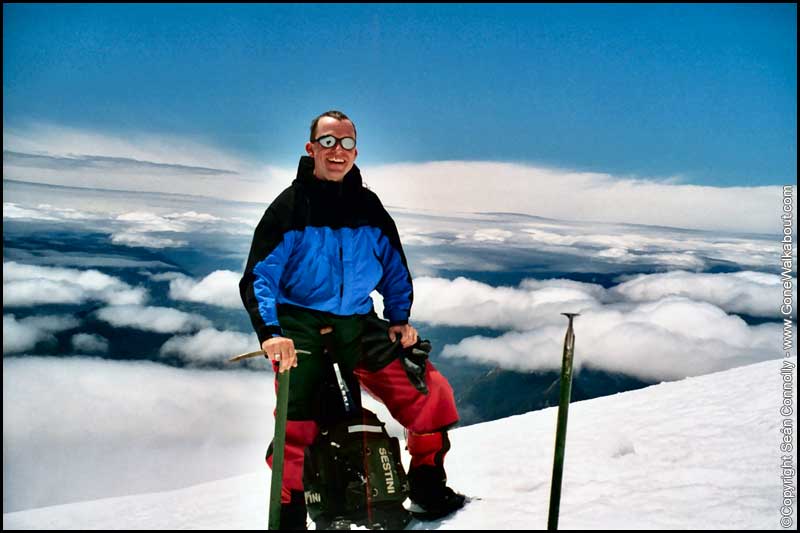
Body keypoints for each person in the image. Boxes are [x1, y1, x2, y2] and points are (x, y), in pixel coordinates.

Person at [240, 110, 465, 529]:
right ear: (311, 149)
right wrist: (271, 334)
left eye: (345, 143)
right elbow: (259, 278)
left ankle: (428, 489)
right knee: (296, 427)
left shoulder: (367, 206)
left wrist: (399, 317)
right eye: (328, 142)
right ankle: (287, 519)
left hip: (359, 324)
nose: (337, 151)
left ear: (356, 151)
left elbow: (394, 265)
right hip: (301, 328)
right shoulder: (289, 208)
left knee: (428, 391)